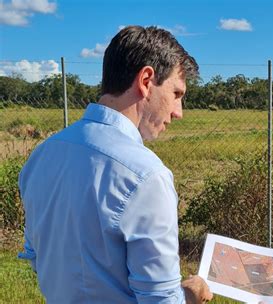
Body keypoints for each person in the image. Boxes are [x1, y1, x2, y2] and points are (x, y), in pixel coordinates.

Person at [18, 25, 212, 304]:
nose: (178, 112)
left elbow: (35, 254)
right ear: (146, 80)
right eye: (177, 94)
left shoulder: (42, 155)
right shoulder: (147, 175)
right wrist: (191, 295)